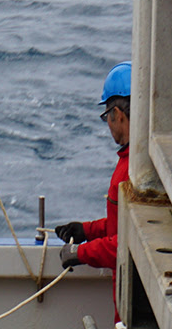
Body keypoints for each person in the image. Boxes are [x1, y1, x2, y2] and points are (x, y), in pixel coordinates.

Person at [54, 62, 133, 271]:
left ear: (118, 114)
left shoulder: (132, 169)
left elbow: (129, 245)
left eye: (107, 116)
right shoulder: (137, 159)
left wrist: (80, 253)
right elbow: (126, 225)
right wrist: (87, 230)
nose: (108, 123)